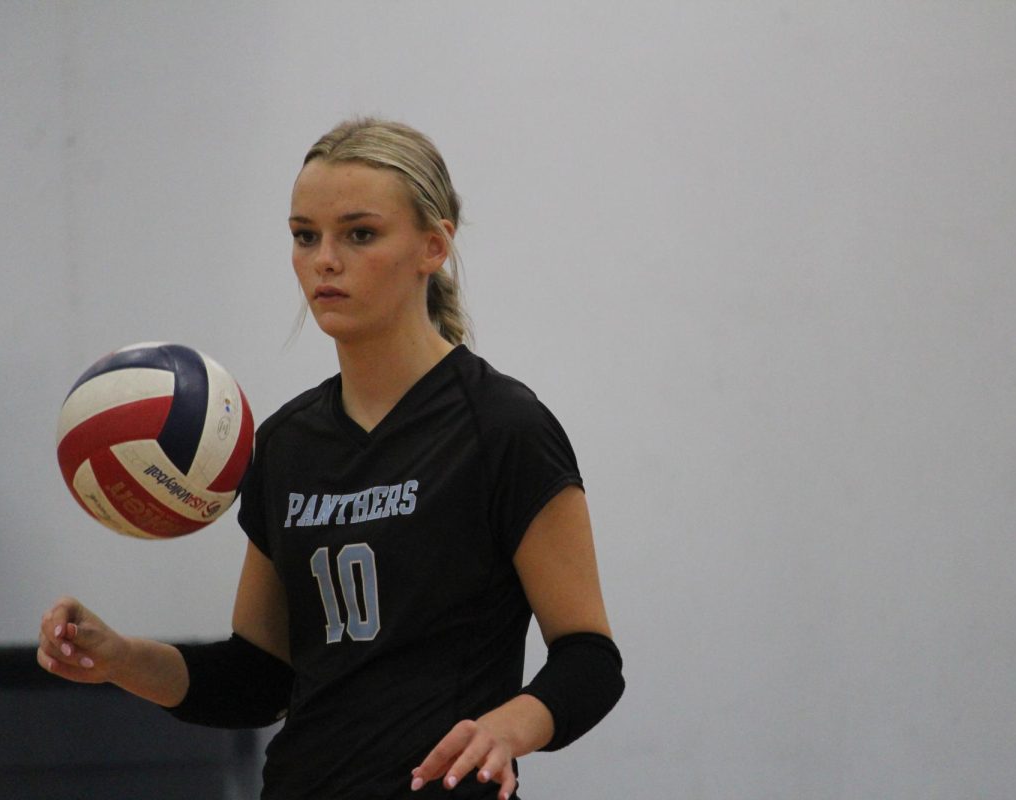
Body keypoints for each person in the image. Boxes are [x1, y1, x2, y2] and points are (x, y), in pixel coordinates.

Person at [37, 118, 624, 800]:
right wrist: (119, 658)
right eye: (304, 235)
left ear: (432, 246)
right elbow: (258, 679)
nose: (324, 259)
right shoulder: (287, 444)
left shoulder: (503, 427)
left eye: (360, 233)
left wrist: (509, 728)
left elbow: (590, 661)